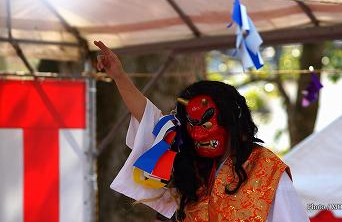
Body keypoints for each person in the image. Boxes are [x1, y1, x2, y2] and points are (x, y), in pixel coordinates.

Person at [94, 40, 310, 222]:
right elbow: (151, 121)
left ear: (230, 121)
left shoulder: (266, 169)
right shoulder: (192, 164)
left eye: (206, 125)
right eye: (192, 125)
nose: (198, 134)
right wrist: (120, 77)